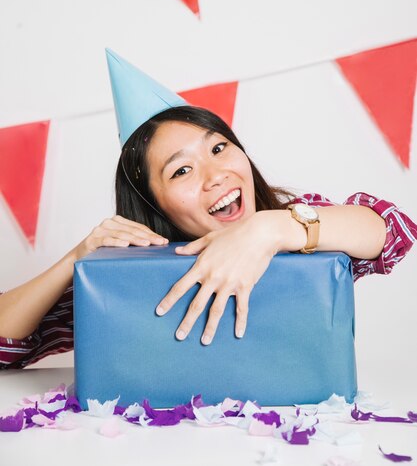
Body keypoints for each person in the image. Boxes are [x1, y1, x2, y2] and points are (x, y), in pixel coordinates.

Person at [1, 52, 416, 369]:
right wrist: (76, 259)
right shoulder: (125, 277)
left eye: (218, 148)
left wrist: (269, 230)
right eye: (181, 170)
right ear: (152, 202)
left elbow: (394, 230)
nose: (215, 174)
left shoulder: (296, 227)